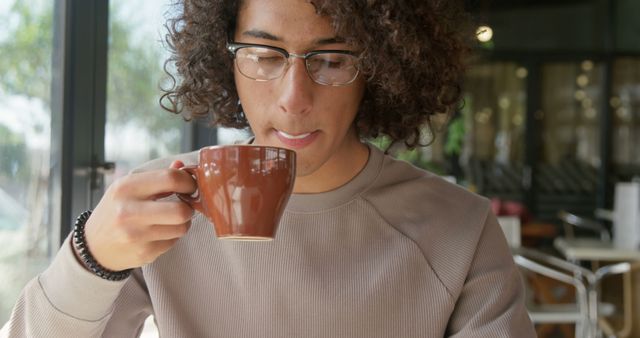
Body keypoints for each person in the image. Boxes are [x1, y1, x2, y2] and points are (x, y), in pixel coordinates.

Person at [3, 0, 536, 336]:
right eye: (264, 54)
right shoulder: (157, 204)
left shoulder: (458, 230)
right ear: (224, 58)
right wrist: (90, 258)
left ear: (381, 67)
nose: (294, 99)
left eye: (330, 60)